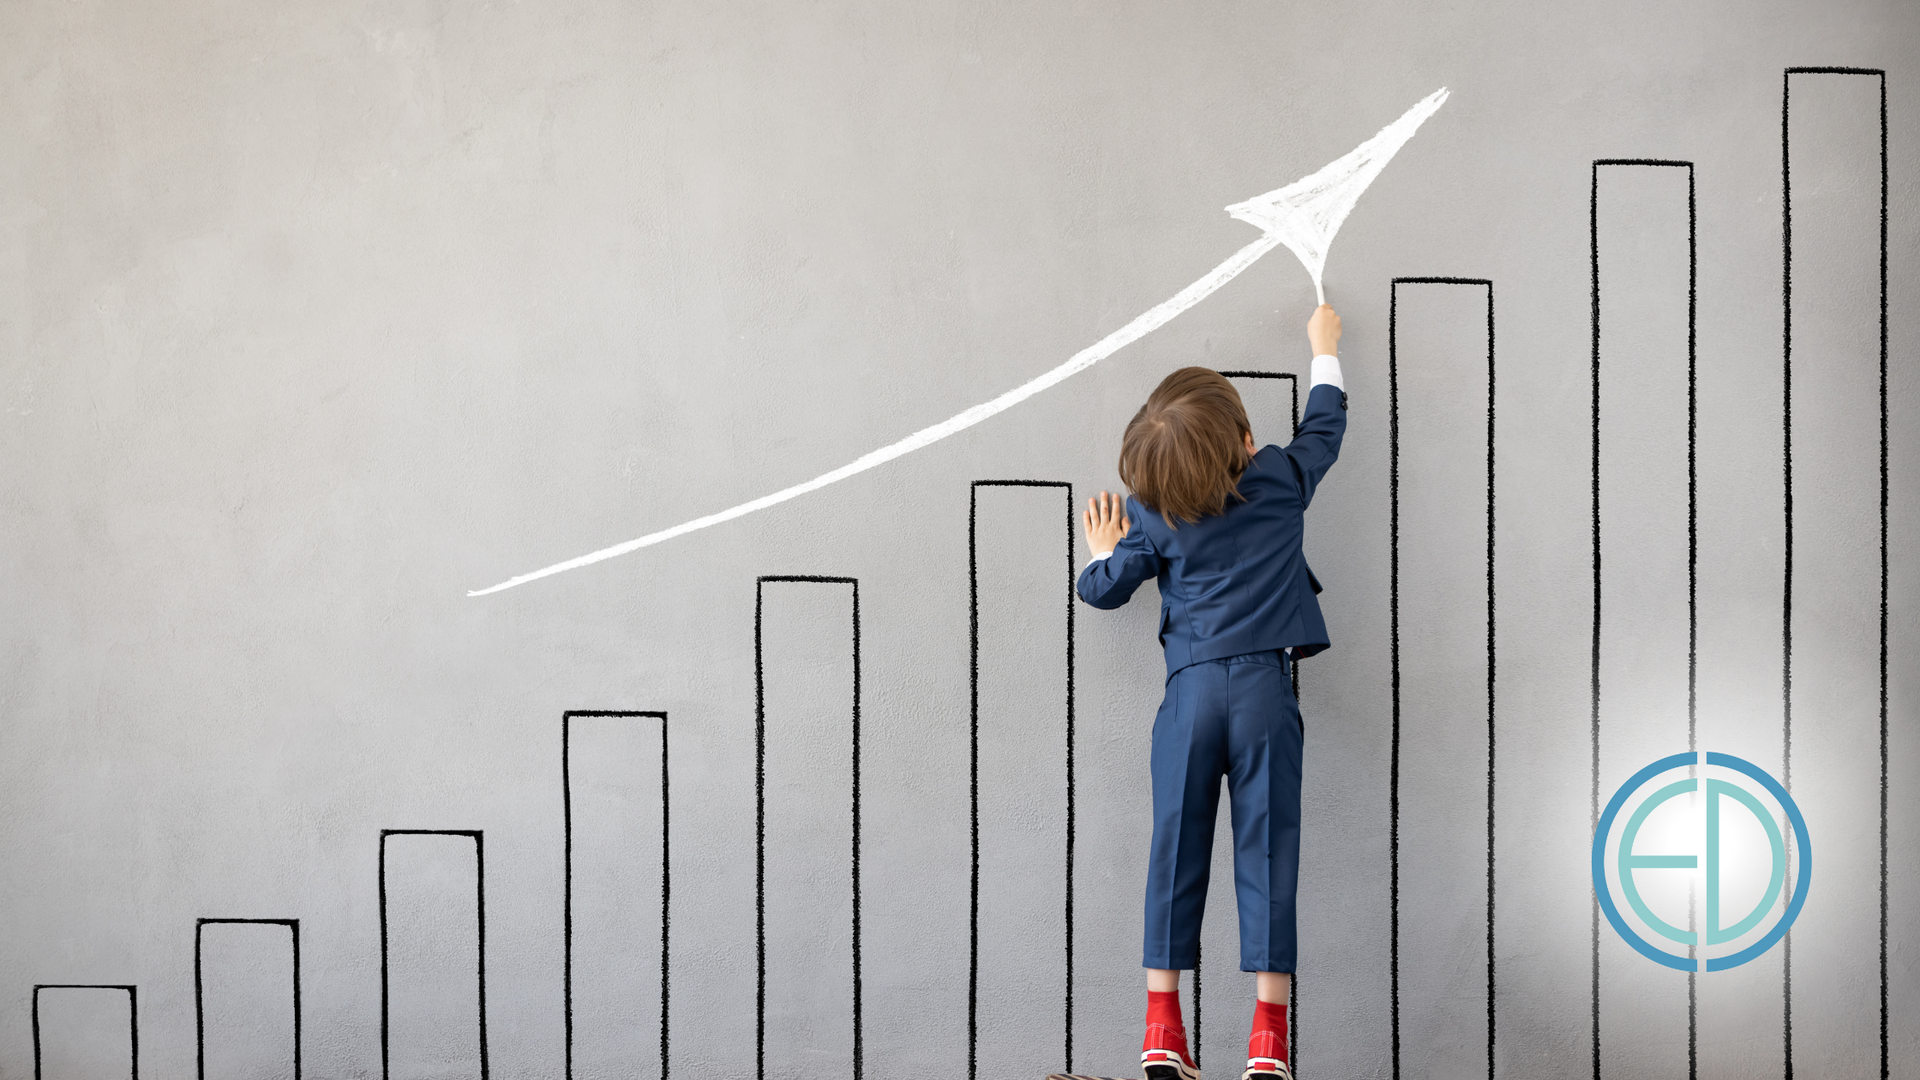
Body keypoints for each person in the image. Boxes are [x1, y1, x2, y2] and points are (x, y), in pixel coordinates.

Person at [1078, 304, 1346, 1080]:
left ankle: (1163, 1029)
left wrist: (1102, 552)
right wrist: (1322, 351)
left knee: (1176, 848)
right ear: (1240, 443)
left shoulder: (1152, 514)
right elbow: (1324, 428)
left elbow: (1103, 593)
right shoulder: (1280, 479)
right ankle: (1267, 1043)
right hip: (1265, 695)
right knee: (1269, 851)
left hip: (1190, 699)